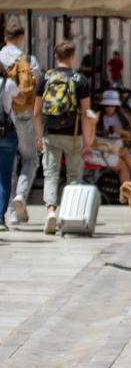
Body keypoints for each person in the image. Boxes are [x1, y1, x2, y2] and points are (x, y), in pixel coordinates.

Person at [34, 41, 93, 236]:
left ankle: (51, 210)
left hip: (50, 133)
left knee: (51, 174)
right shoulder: (80, 80)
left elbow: (36, 112)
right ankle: (70, 213)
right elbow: (86, 113)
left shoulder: (46, 77)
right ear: (72, 56)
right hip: (73, 135)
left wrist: (39, 136)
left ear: (56, 56)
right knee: (73, 175)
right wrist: (87, 140)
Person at [1, 22, 41, 226]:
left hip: (3, 118)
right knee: (30, 159)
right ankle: (20, 199)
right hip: (24, 115)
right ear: (22, 37)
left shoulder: (0, 57)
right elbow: (38, 89)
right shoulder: (29, 60)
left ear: (5, 36)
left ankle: (6, 209)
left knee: (8, 164)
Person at [96, 90, 131, 184]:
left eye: (112, 106)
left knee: (124, 164)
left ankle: (128, 190)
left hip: (117, 145)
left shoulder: (121, 117)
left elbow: (129, 134)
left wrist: (119, 131)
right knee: (125, 153)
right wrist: (106, 132)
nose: (109, 108)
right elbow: (96, 134)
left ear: (116, 106)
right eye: (106, 105)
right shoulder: (99, 117)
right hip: (105, 146)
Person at [0, 62, 20, 232]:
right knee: (5, 177)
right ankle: (0, 218)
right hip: (6, 133)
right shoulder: (9, 83)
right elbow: (21, 99)